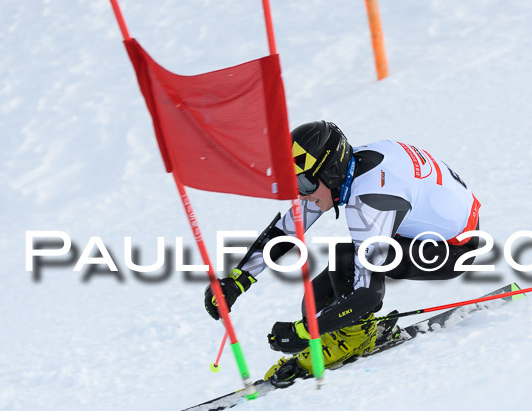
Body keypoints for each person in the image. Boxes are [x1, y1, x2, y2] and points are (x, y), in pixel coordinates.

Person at [204, 121, 481, 386]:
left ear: (330, 173)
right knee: (317, 297)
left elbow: (368, 293)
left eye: (304, 186)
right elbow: (287, 229)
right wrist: (238, 279)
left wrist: (304, 332)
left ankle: (355, 338)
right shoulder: (343, 170)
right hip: (427, 224)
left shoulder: (371, 202)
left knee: (348, 261)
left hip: (455, 249)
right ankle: (345, 334)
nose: (302, 195)